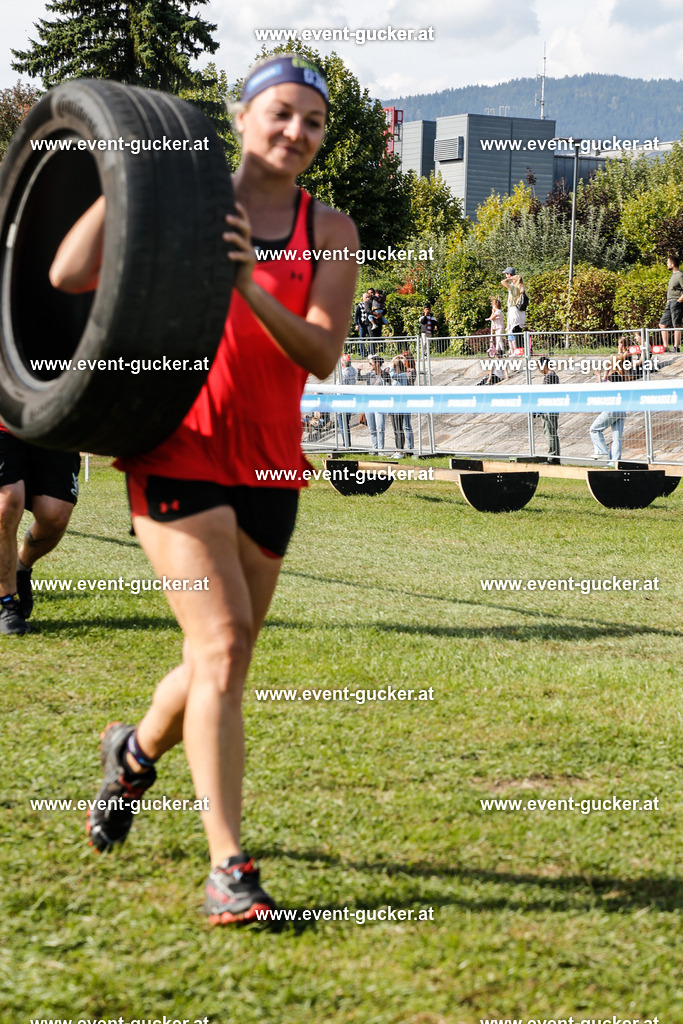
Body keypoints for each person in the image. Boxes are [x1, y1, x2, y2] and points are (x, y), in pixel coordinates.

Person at [50, 54, 359, 924]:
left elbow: (321, 352)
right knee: (220, 646)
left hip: (270, 465)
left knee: (220, 656)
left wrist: (247, 286)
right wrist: (134, 176)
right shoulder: (184, 202)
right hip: (176, 449)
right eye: (281, 113)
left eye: (313, 121)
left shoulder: (329, 229)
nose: (296, 132)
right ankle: (229, 869)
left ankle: (132, 753)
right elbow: (67, 273)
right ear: (241, 116)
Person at [0, 432, 80, 634]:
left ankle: (20, 566)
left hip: (54, 428)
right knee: (5, 506)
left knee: (55, 516)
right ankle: (8, 604)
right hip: (4, 426)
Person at [590, 356, 628, 465]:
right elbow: (604, 381)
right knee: (617, 438)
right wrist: (604, 374)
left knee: (594, 429)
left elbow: (602, 388)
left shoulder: (614, 376)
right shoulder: (621, 375)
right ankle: (614, 462)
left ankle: (601, 451)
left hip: (612, 409)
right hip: (621, 409)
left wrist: (599, 375)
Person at [536, 356, 560, 463]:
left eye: (539, 367)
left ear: (544, 365)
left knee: (550, 432)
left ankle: (552, 457)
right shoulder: (553, 376)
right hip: (552, 407)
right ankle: (555, 457)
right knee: (553, 432)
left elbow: (544, 394)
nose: (539, 370)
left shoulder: (549, 377)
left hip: (548, 408)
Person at [388, 356, 414, 457]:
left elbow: (392, 375)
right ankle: (397, 449)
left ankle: (400, 451)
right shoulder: (398, 376)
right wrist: (393, 360)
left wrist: (391, 367)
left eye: (394, 367)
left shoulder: (402, 375)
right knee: (395, 429)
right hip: (394, 405)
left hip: (400, 405)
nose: (392, 368)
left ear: (397, 367)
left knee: (399, 429)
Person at [658, 254, 683, 352]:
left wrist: (679, 301)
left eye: (668, 263)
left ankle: (676, 347)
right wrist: (668, 300)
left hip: (676, 302)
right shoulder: (673, 275)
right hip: (670, 302)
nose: (667, 264)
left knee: (676, 325)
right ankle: (665, 347)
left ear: (673, 264)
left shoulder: (680, 275)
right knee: (662, 324)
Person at [501, 267, 528, 354]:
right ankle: (521, 350)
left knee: (516, 333)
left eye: (506, 274)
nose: (506, 276)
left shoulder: (514, 288)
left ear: (509, 274)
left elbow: (503, 282)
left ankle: (519, 351)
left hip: (514, 312)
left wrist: (509, 278)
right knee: (518, 332)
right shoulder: (521, 287)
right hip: (520, 313)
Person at [364, 353, 388, 451]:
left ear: (377, 363)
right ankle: (374, 449)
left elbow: (388, 384)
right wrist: (358, 371)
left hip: (379, 404)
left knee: (380, 428)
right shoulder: (370, 375)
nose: (369, 365)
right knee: (372, 429)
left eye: (371, 363)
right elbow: (359, 378)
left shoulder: (384, 375)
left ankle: (380, 449)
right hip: (369, 404)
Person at [337, 353, 357, 447]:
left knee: (343, 425)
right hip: (350, 399)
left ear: (342, 364)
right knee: (346, 424)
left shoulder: (343, 374)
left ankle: (346, 444)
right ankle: (348, 444)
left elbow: (340, 390)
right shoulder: (353, 370)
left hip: (343, 402)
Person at [353, 291, 370, 358]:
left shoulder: (370, 304)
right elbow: (356, 315)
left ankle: (369, 354)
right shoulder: (360, 305)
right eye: (366, 297)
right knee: (361, 340)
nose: (367, 298)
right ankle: (363, 355)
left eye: (368, 297)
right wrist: (356, 324)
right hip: (362, 325)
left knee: (371, 339)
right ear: (363, 298)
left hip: (369, 324)